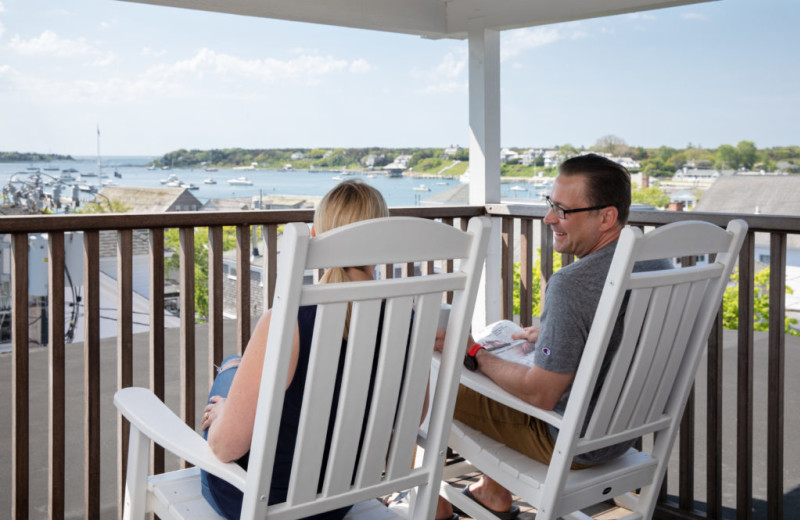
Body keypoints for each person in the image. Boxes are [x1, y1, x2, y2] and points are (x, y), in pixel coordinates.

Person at [435, 154, 672, 520]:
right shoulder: (656, 263)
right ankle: (493, 493)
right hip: (624, 433)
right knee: (507, 361)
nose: (549, 219)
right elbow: (618, 336)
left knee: (427, 382)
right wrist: (550, 333)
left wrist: (474, 351)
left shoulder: (572, 284)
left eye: (562, 210)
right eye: (551, 205)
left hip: (569, 442)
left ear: (607, 217)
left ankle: (431, 507)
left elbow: (541, 394)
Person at [200, 179, 399, 519]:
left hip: (260, 504)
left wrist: (223, 416)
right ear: (383, 239)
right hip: (339, 501)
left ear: (315, 235)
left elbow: (224, 448)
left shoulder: (289, 321)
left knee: (231, 369)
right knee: (237, 367)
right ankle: (234, 381)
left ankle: (231, 386)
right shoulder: (405, 316)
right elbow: (413, 412)